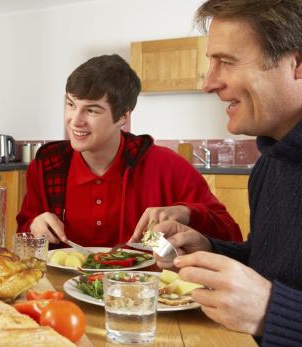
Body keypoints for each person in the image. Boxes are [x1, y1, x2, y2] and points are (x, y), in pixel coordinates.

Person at [128, 1, 302, 344]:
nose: (208, 83)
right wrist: (207, 248)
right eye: (211, 63)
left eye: (226, 62)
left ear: (296, 63)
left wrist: (272, 310)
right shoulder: (270, 164)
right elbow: (269, 265)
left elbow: (271, 294)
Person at [17, 54, 242, 247]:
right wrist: (33, 227)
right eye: (71, 105)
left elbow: (231, 236)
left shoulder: (165, 166)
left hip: (144, 292)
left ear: (123, 117)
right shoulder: (47, 165)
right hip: (59, 294)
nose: (75, 121)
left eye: (92, 110)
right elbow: (23, 236)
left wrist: (188, 213)